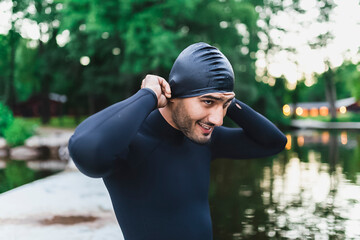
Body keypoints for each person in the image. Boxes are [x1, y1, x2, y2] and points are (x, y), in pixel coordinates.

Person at [68, 42, 287, 240]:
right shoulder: (133, 143)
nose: (218, 119)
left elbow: (273, 142)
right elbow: (86, 150)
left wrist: (226, 98)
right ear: (174, 93)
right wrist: (148, 95)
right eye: (207, 101)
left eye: (224, 106)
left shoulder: (204, 138)